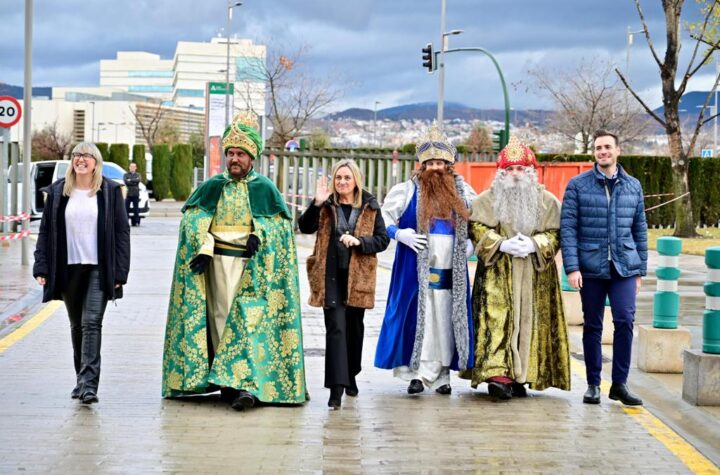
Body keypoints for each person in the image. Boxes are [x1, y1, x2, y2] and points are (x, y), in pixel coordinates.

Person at [161, 113, 308, 411]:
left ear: (252, 157)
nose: (235, 159)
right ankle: (227, 383)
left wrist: (260, 234)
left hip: (252, 268)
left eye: (240, 154)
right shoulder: (213, 186)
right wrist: (204, 246)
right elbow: (196, 220)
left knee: (249, 322)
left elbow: (279, 228)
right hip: (216, 266)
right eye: (230, 154)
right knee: (220, 320)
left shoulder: (265, 188)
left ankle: (248, 385)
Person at [458, 137, 570, 400]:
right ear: (501, 173)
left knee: (531, 320)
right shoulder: (487, 200)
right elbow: (476, 227)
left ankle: (522, 376)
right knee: (497, 321)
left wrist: (535, 244)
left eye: (521, 169)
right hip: (498, 273)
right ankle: (499, 376)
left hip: (535, 274)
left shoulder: (547, 201)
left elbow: (556, 232)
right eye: (510, 169)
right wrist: (501, 244)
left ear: (530, 172)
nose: (515, 175)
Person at [374, 122, 476, 395]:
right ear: (421, 165)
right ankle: (416, 374)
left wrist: (472, 244)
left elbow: (481, 222)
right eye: (429, 162)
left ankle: (442, 376)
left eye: (439, 162)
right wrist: (400, 234)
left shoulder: (464, 192)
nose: (434, 167)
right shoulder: (406, 190)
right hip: (414, 267)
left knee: (446, 319)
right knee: (419, 317)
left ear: (448, 165)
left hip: (451, 269)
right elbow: (382, 218)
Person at [33, 142, 130, 405]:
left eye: (86, 155)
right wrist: (41, 266)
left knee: (91, 323)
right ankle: (81, 380)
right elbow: (45, 233)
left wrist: (120, 271)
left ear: (96, 162)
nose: (80, 159)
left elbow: (122, 234)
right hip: (68, 268)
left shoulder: (109, 192)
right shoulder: (57, 192)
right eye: (76, 155)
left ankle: (89, 385)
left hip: (99, 268)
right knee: (77, 326)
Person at [561, 129, 647, 406]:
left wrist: (640, 270)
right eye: (598, 148)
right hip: (590, 267)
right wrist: (572, 268)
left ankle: (620, 384)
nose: (603, 152)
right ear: (594, 153)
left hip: (624, 267)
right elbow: (568, 229)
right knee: (593, 325)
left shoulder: (633, 186)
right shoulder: (578, 185)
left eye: (608, 147)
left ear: (617, 150)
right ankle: (593, 384)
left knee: (624, 321)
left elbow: (640, 230)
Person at [298, 160, 389, 409]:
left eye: (347, 178)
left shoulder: (369, 206)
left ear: (355, 180)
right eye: (338, 178)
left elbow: (382, 240)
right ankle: (335, 391)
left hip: (357, 277)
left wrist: (359, 241)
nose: (342, 182)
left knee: (354, 329)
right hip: (331, 275)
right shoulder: (327, 205)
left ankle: (351, 374)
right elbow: (304, 227)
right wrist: (316, 202)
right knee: (336, 328)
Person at [123, 162, 142, 227]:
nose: (132, 168)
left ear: (136, 168)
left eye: (134, 167)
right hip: (128, 194)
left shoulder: (138, 174)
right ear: (129, 167)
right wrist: (134, 181)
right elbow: (126, 182)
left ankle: (136, 222)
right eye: (131, 166)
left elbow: (138, 180)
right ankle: (125, 222)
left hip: (135, 194)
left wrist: (130, 180)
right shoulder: (125, 174)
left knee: (136, 209)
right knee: (126, 209)